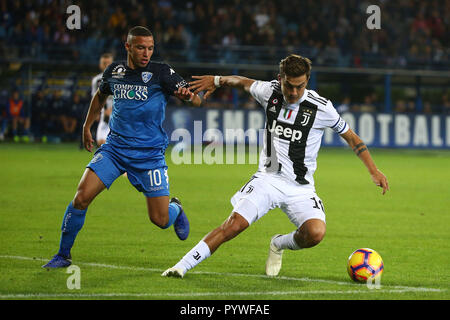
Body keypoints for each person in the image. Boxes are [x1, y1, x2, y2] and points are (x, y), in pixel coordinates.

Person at [162, 54, 389, 278]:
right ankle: (181, 266)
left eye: (299, 86)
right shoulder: (269, 91)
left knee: (315, 233)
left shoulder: (321, 108)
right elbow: (242, 82)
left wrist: (373, 170)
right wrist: (218, 80)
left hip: (301, 188)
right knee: (234, 225)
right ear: (280, 78)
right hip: (267, 179)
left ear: (307, 81)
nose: (293, 92)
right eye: (289, 86)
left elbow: (352, 138)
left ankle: (278, 243)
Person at [42, 26, 202, 268]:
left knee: (159, 219)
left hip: (149, 156)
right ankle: (63, 255)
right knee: (81, 197)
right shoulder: (115, 71)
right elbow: (99, 96)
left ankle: (176, 209)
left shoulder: (161, 72)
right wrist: (87, 126)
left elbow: (197, 99)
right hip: (115, 149)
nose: (146, 53)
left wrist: (188, 96)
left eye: (150, 48)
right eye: (140, 47)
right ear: (128, 46)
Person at [92, 53, 114, 147]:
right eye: (104, 63)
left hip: (118, 115)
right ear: (100, 65)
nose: (106, 65)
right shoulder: (96, 80)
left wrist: (112, 109)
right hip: (103, 115)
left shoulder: (118, 79)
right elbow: (95, 98)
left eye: (108, 63)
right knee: (101, 142)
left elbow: (123, 98)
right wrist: (96, 112)